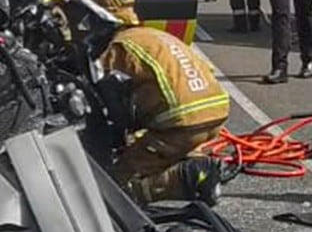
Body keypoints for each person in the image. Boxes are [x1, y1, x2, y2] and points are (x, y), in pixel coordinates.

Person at [96, 23, 231, 204]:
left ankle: (182, 180)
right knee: (178, 148)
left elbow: (108, 95)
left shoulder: (118, 47)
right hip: (217, 112)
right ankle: (199, 168)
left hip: (183, 122)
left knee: (116, 181)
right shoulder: (155, 36)